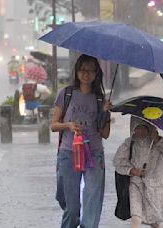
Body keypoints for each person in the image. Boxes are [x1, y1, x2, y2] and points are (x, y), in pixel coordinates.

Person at [51, 54, 112, 228]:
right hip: (69, 152)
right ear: (77, 71)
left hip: (93, 154)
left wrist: (106, 112)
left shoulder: (100, 99)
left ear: (96, 74)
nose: (86, 74)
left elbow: (105, 134)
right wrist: (69, 125)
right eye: (83, 70)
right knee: (71, 208)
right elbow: (54, 126)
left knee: (92, 202)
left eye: (91, 71)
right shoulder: (66, 94)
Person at [113, 117, 163, 228]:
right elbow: (118, 162)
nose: (140, 131)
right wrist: (132, 171)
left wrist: (159, 141)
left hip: (156, 189)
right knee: (136, 216)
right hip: (135, 184)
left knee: (155, 221)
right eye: (137, 128)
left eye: (144, 127)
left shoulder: (160, 143)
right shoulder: (129, 144)